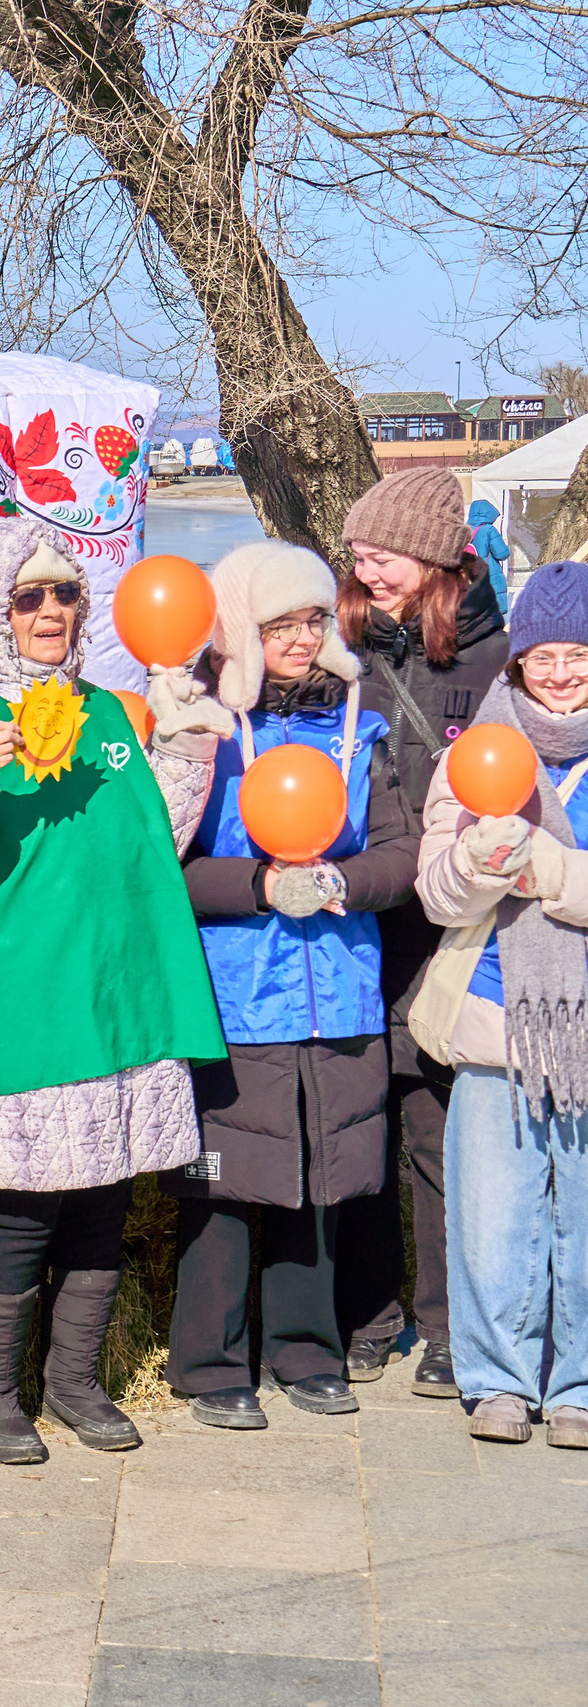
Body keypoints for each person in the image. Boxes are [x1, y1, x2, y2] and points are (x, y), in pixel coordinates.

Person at [0, 518, 229, 1465]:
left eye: (66, 593)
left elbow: (155, 840)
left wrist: (184, 744)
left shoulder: (111, 711)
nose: (51, 611)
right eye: (28, 596)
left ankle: (75, 1378)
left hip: (119, 983)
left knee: (107, 1191)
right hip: (21, 986)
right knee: (23, 1202)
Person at [171, 543, 417, 1430]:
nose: (301, 638)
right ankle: (208, 1361)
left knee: (323, 1172)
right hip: (241, 992)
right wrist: (259, 886)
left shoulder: (361, 727)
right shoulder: (201, 731)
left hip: (339, 988)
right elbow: (173, 868)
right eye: (280, 624)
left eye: (312, 620)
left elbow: (401, 850)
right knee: (230, 1182)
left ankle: (306, 1349)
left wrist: (350, 882)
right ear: (243, 628)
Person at [331, 465, 508, 1398]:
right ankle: (369, 1313)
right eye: (358, 554)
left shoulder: (499, 664)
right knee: (362, 1127)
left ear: (437, 561)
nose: (364, 567)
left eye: (383, 553)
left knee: (440, 1139)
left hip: (453, 932)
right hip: (358, 921)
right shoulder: (342, 652)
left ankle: (449, 1327)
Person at [405, 559, 588, 1448]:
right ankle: (498, 1379)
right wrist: (478, 864)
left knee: (584, 1213)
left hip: (584, 1027)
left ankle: (580, 1383)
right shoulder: (474, 753)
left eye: (578, 654)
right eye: (543, 654)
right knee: (490, 1213)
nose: (559, 671)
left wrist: (549, 871)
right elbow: (436, 897)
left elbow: (558, 881)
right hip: (492, 1014)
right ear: (516, 661)